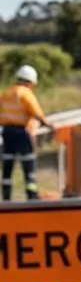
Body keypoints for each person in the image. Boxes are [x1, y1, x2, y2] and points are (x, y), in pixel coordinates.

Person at [0, 64, 48, 201]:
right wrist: (48, 124)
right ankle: (32, 196)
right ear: (29, 82)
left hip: (7, 133)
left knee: (7, 165)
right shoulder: (25, 94)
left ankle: (6, 198)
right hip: (22, 133)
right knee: (28, 164)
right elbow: (37, 113)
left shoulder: (6, 93)